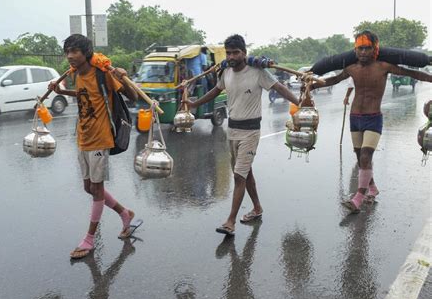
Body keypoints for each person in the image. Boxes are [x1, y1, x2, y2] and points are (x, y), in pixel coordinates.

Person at [184, 34, 299, 235]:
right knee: (246, 174)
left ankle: (230, 221)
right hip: (233, 130)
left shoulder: (258, 72)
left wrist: (300, 102)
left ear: (244, 53)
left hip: (251, 132)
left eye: (236, 52)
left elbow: (279, 88)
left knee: (239, 176)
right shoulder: (226, 72)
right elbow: (215, 91)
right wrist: (194, 104)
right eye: (228, 53)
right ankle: (257, 208)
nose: (231, 56)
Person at [310, 30, 432, 213]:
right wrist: (313, 83)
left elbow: (413, 74)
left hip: (373, 118)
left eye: (367, 48)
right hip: (355, 117)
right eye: (360, 49)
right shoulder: (351, 68)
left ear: (375, 49)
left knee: (366, 156)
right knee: (360, 158)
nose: (363, 52)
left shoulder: (384, 66)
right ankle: (373, 188)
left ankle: (358, 198)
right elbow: (334, 79)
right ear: (355, 50)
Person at [48, 34, 138, 259]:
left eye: (75, 51)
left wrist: (124, 78)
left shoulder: (103, 73)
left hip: (100, 138)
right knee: (88, 188)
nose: (70, 56)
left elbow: (134, 97)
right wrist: (61, 92)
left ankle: (89, 240)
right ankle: (125, 213)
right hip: (83, 137)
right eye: (67, 51)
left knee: (96, 190)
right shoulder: (77, 73)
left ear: (85, 53)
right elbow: (84, 96)